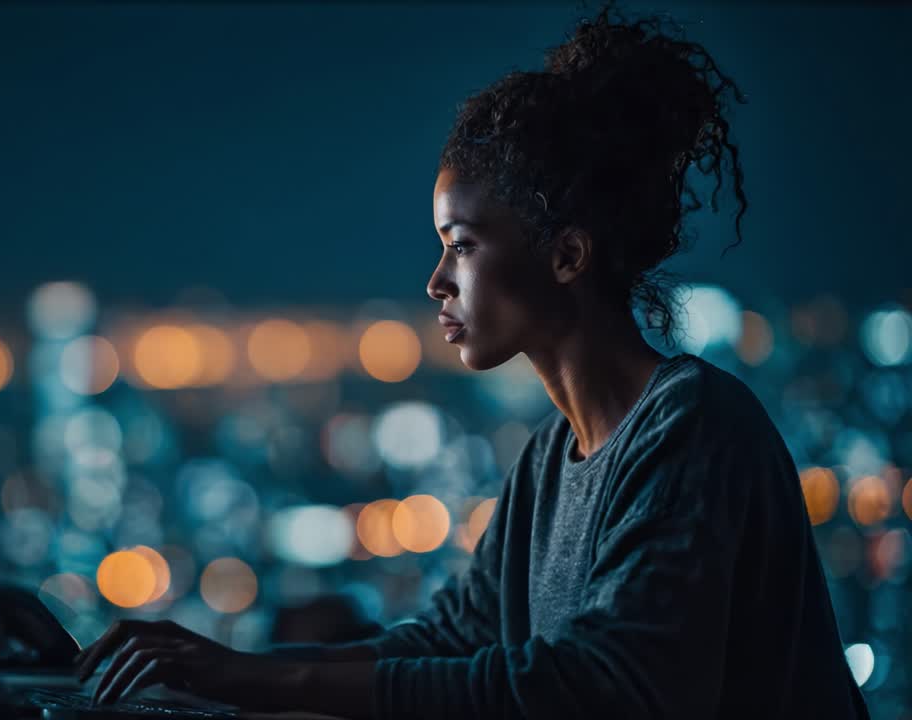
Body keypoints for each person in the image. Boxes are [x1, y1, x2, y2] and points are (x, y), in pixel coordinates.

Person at [72, 3, 871, 718]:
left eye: (463, 246)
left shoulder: (693, 429)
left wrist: (256, 682)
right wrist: (226, 670)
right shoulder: (551, 464)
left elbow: (612, 686)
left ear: (567, 255)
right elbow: (453, 640)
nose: (436, 282)